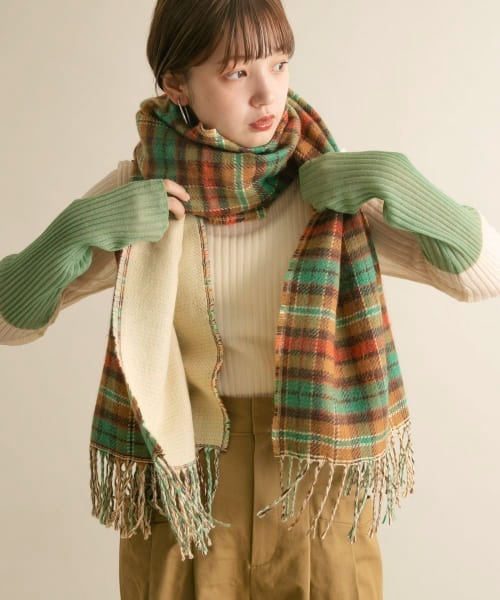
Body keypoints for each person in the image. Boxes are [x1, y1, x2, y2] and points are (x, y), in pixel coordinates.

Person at [1, 1, 499, 598]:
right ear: (176, 83)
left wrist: (403, 184)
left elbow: (485, 276)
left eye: (279, 63)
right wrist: (72, 233)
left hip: (315, 478)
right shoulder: (144, 194)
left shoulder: (327, 187)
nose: (268, 95)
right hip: (188, 486)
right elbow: (8, 323)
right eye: (237, 72)